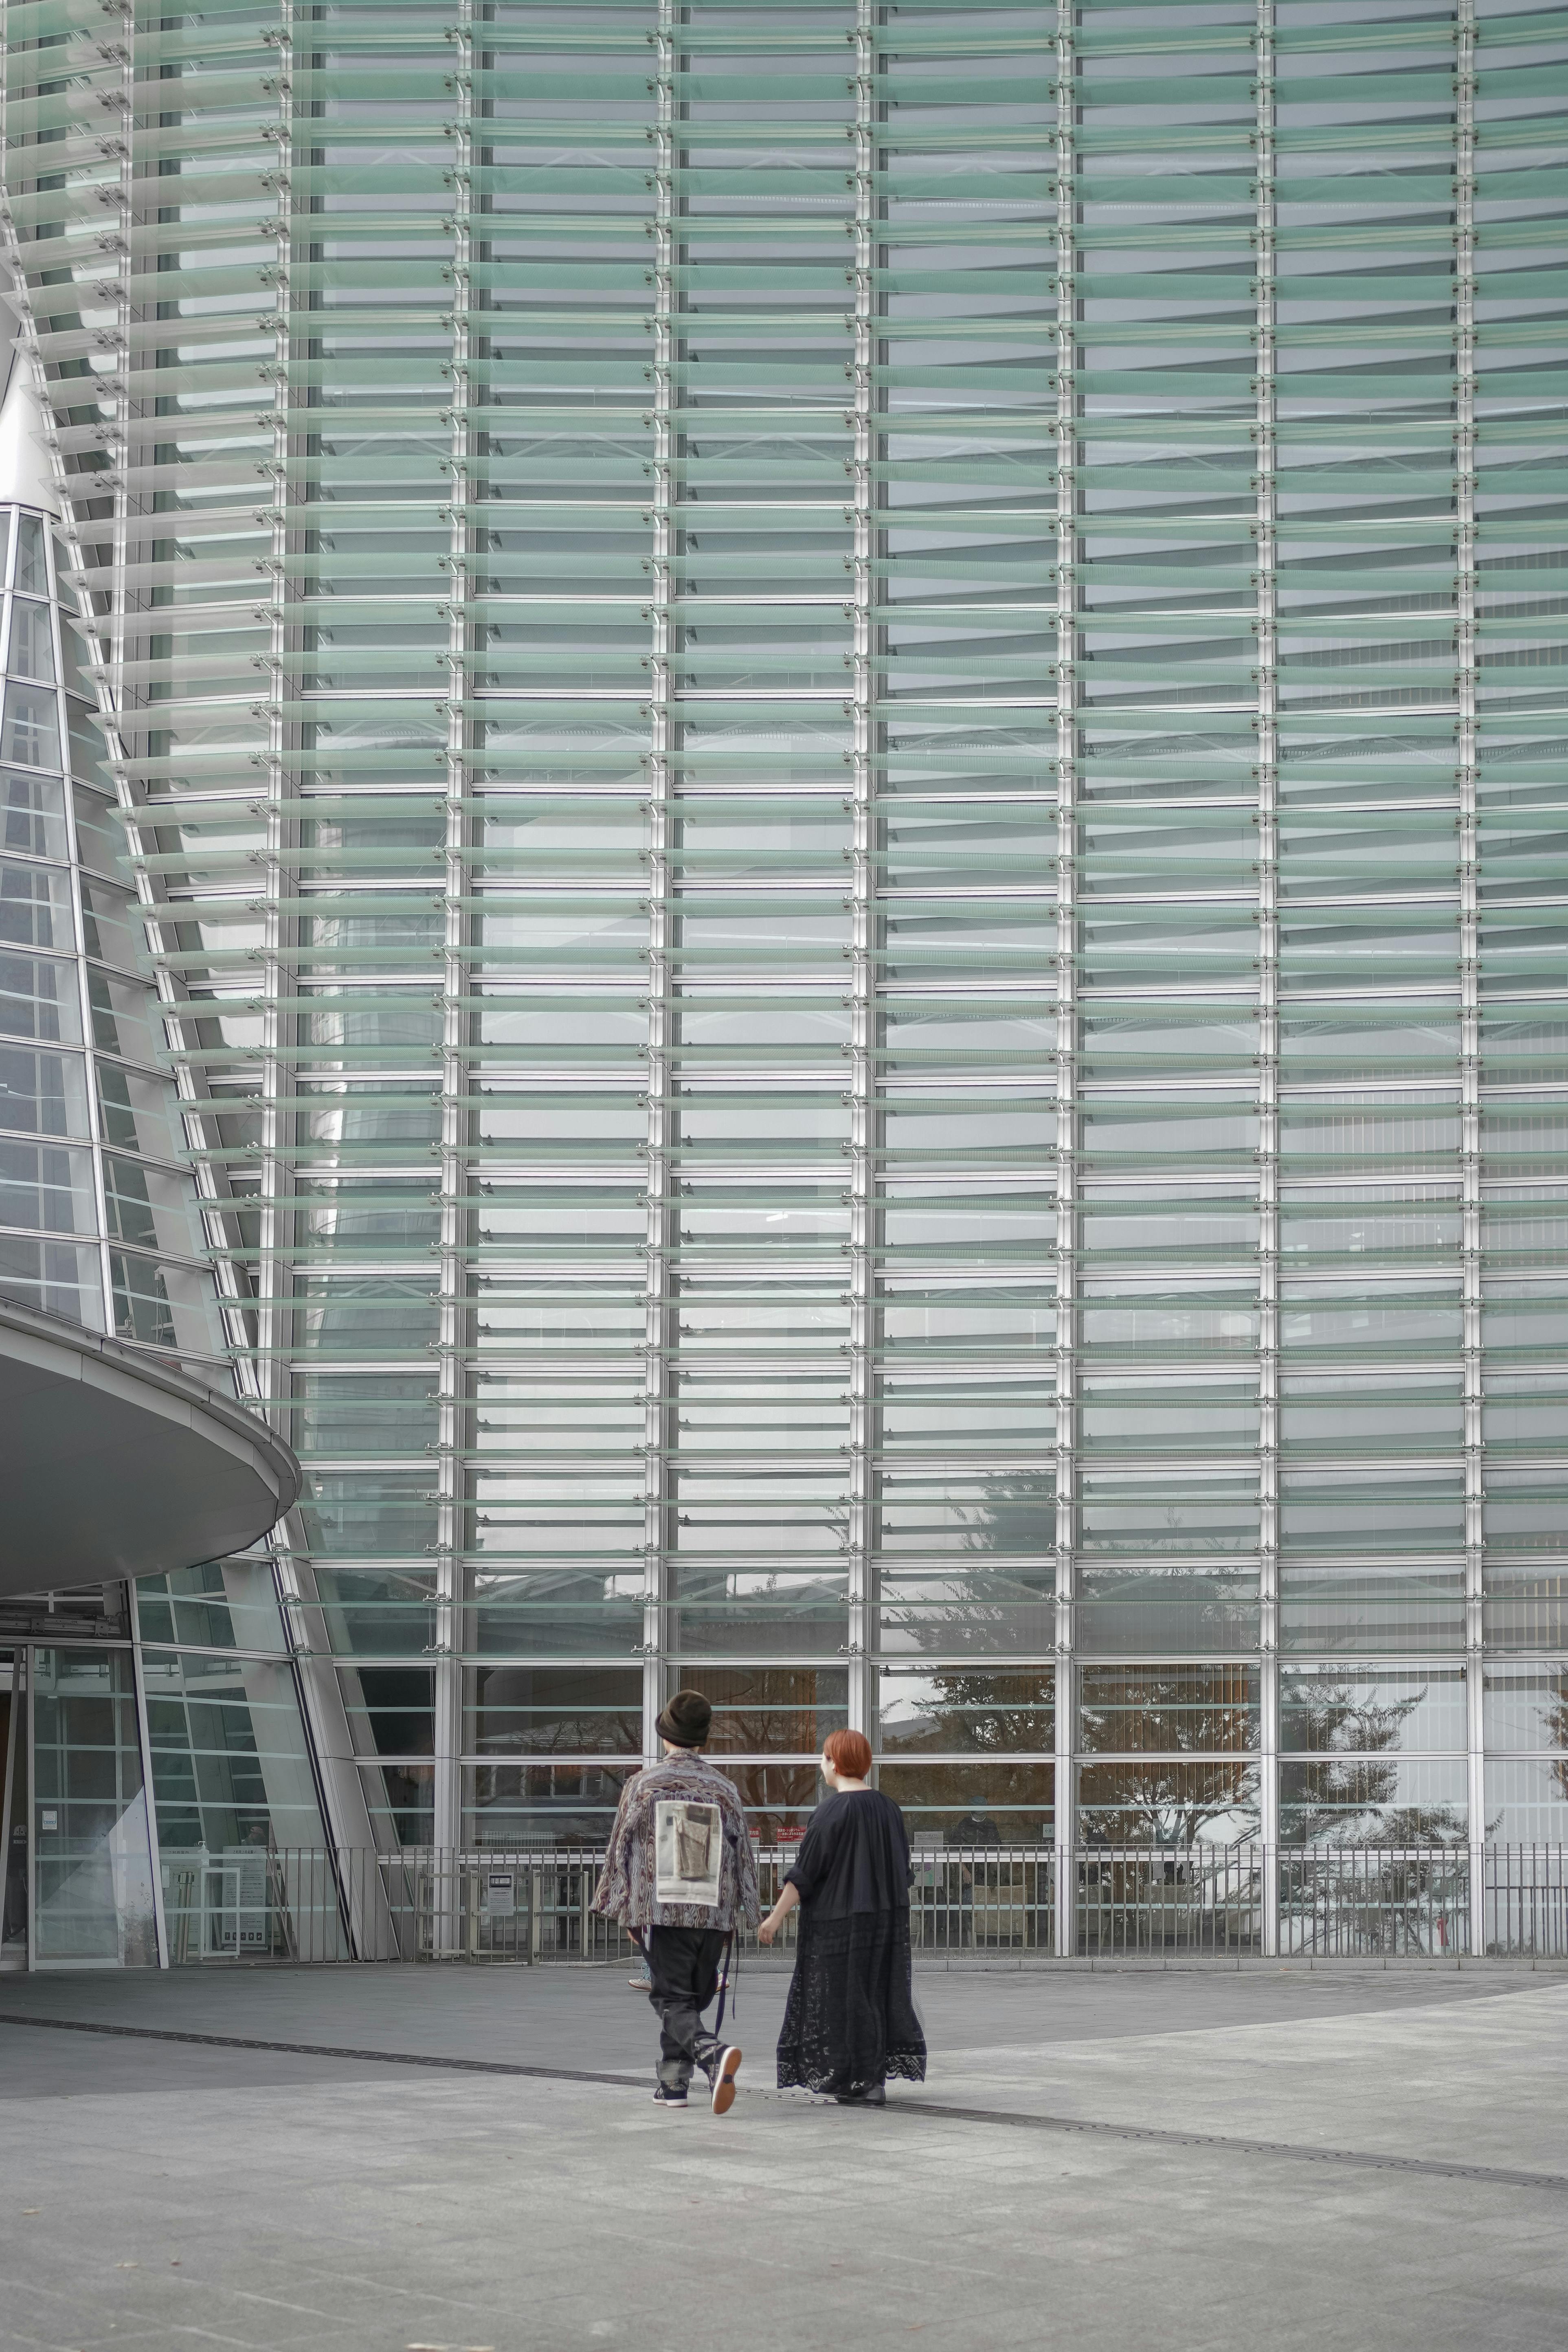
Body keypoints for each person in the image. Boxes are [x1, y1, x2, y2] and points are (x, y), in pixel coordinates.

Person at [592, 1687, 760, 2112]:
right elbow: (744, 1855)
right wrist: (748, 1910)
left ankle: (710, 2052)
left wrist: (615, 1904)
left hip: (660, 1908)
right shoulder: (724, 1789)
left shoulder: (642, 1785)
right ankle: (673, 2085)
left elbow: (620, 1848)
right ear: (703, 1738)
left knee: (671, 1998)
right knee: (689, 1996)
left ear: (665, 1734)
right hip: (712, 1911)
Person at [758, 1728, 927, 2107]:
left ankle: (854, 2078)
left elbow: (804, 1875)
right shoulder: (889, 1808)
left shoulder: (830, 1812)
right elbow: (903, 1872)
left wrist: (773, 1919)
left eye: (824, 1757)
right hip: (885, 1922)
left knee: (840, 1999)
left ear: (835, 1762)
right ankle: (872, 2077)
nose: (822, 1764)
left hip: (838, 1924)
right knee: (874, 1995)